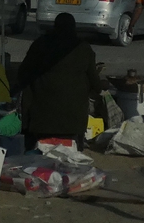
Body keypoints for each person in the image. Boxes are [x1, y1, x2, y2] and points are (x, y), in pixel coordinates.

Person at [16, 12, 93, 144]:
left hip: (41, 120)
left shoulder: (40, 44)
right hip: (74, 121)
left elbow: (23, 73)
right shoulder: (83, 48)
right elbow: (93, 80)